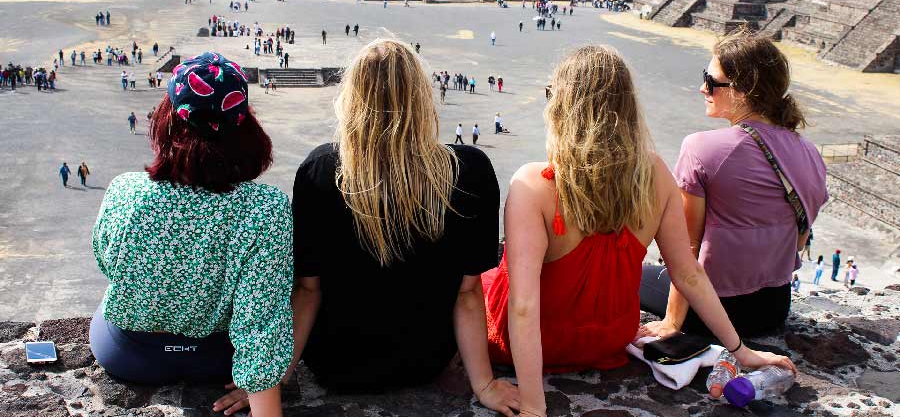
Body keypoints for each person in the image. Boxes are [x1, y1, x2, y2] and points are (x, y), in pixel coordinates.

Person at [482, 46, 796, 417]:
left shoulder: (533, 184)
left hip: (533, 340)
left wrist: (535, 406)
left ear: (562, 106)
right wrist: (741, 350)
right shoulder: (655, 175)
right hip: (608, 338)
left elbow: (522, 306)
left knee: (472, 284)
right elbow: (688, 272)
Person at [216, 40, 519, 416]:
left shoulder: (322, 171)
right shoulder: (469, 171)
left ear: (353, 97)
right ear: (423, 97)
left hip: (336, 365)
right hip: (424, 360)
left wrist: (270, 382)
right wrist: (485, 385)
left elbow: (308, 292)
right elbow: (468, 295)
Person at [90, 53, 291, 417]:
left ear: (168, 118)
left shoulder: (125, 192)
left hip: (128, 353)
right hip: (216, 359)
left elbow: (108, 264)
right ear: (244, 125)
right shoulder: (266, 208)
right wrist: (262, 396)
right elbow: (260, 317)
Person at [640, 29, 828, 338]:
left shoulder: (701, 148)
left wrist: (672, 322)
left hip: (712, 312)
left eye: (712, 81)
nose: (703, 88)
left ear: (742, 91)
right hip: (775, 308)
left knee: (631, 277)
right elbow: (800, 239)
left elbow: (688, 247)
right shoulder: (809, 152)